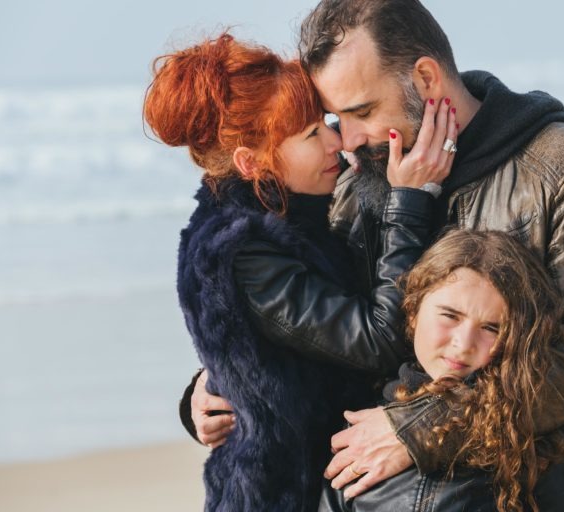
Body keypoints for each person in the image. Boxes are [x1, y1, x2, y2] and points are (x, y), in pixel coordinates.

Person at [189, 1, 564, 510]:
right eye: (335, 118)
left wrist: (419, 430)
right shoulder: (361, 182)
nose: (347, 141)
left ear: (424, 78)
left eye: (362, 112)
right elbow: (332, 325)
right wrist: (222, 379)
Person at [144, 32, 458, 511]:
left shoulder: (293, 214)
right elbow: (375, 340)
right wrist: (409, 204)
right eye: (313, 134)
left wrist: (211, 384)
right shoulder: (240, 251)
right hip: (283, 496)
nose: (337, 140)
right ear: (253, 163)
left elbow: (270, 352)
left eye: (326, 121)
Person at [320, 229, 564, 511]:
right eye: (450, 316)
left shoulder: (536, 448)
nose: (463, 345)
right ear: (413, 311)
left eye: (491, 328)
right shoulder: (361, 428)